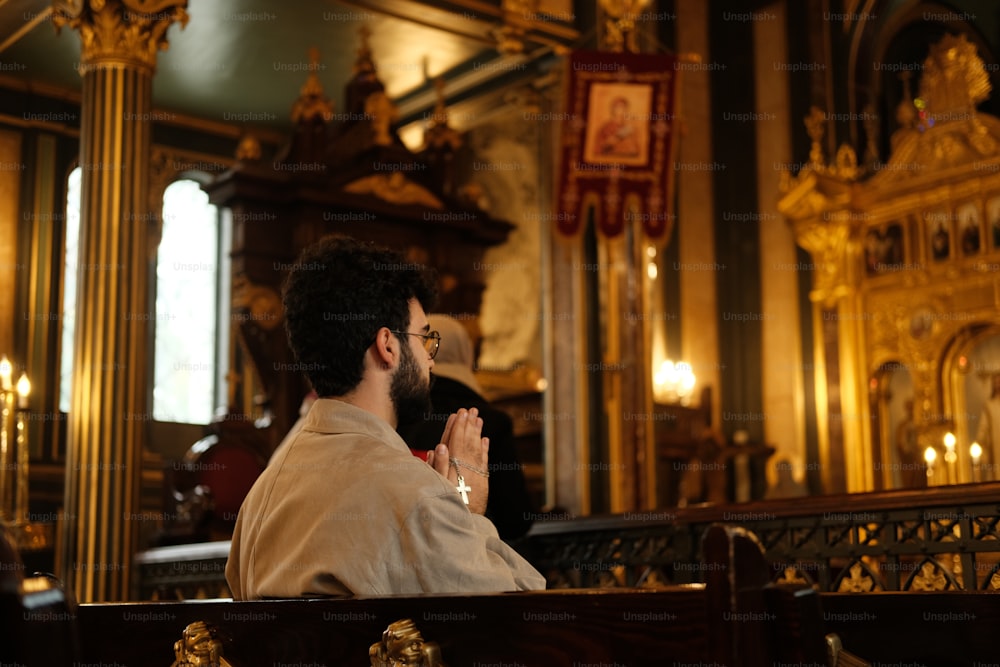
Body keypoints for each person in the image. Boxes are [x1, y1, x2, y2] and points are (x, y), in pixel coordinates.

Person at [225, 235, 545, 598]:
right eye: (424, 339)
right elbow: (516, 610)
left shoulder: (262, 494)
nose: (430, 359)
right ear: (388, 346)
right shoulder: (413, 493)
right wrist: (466, 509)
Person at [399, 314, 536, 542]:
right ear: (464, 354)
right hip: (477, 560)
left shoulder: (398, 417)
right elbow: (515, 520)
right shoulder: (490, 422)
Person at [975, 373, 1000, 480]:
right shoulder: (989, 406)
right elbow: (983, 428)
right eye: (996, 383)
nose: (998, 385)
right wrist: (981, 442)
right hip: (996, 447)